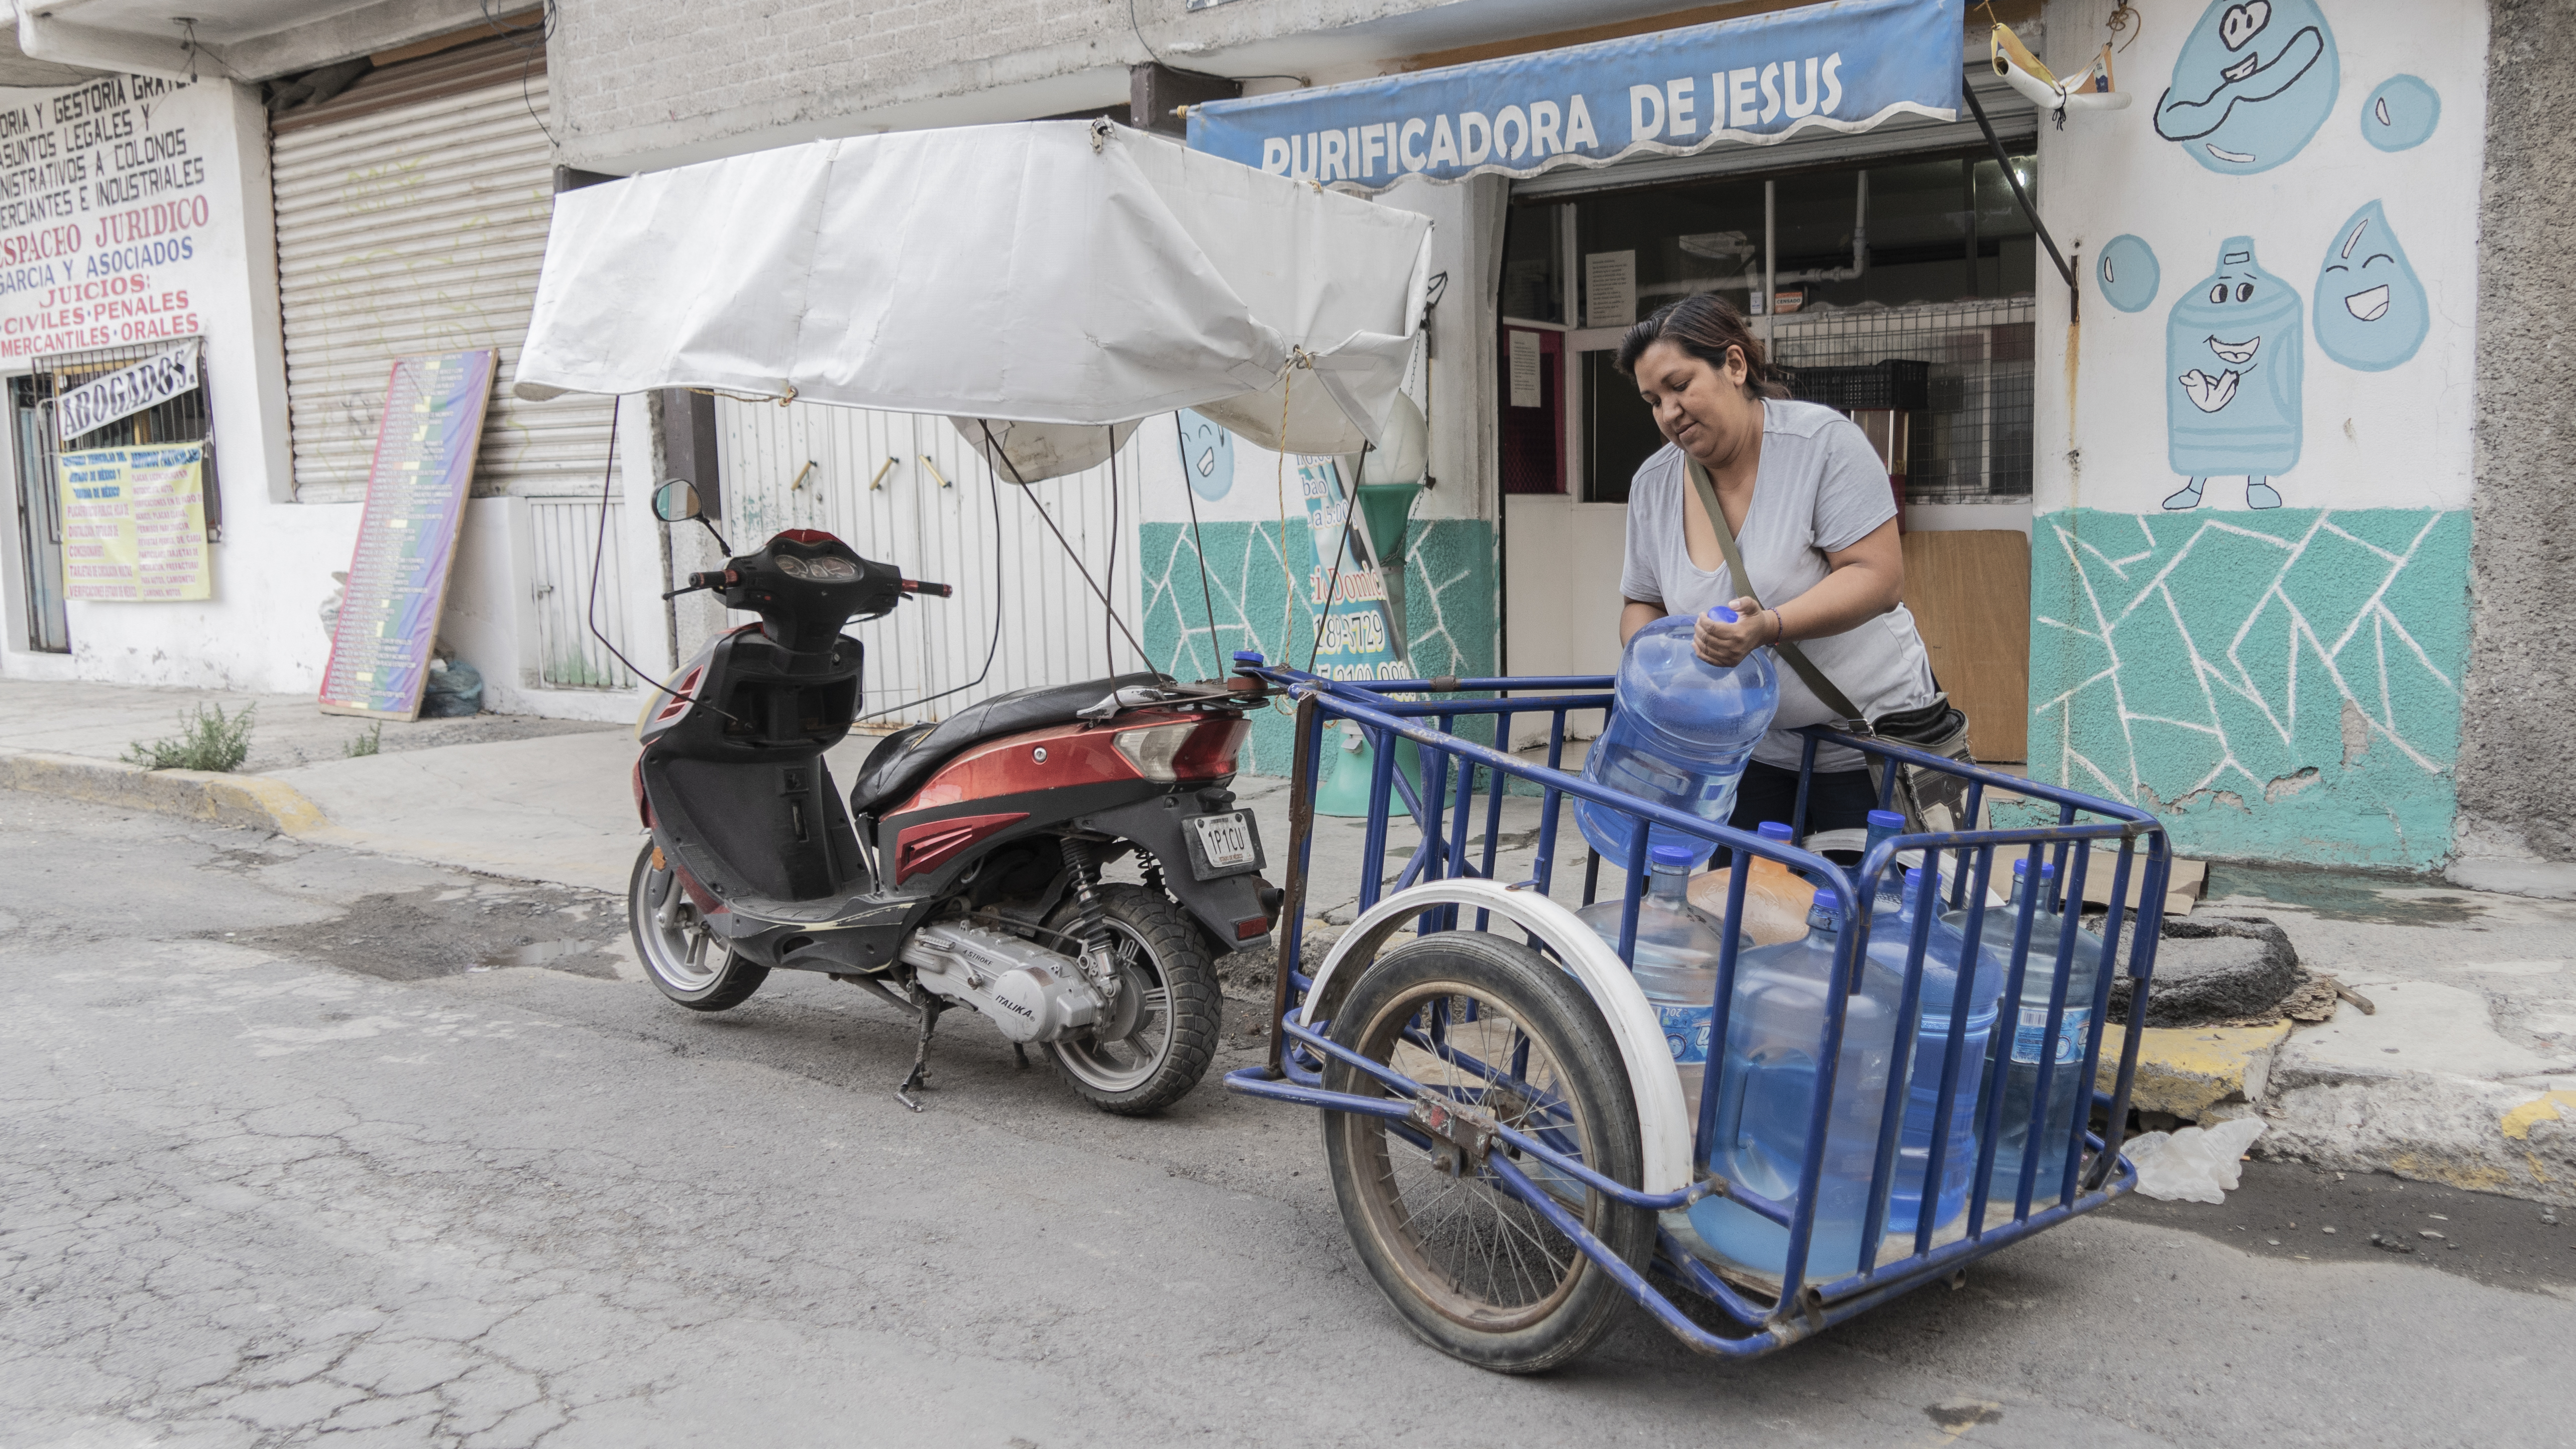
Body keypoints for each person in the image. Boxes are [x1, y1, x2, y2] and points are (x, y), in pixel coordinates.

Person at [1613, 293, 1938, 851]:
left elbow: (1877, 576)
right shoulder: (1653, 483)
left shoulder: (1821, 444)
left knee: (1864, 915)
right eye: (1652, 400)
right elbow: (1642, 604)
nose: (1668, 412)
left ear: (1734, 366)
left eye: (1679, 385)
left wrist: (1768, 627)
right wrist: (1664, 666)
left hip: (1867, 744)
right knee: (1743, 910)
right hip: (1746, 749)